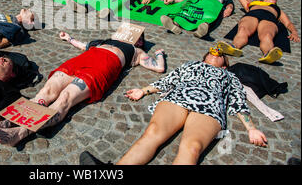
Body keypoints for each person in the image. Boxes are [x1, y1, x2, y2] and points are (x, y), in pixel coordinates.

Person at [79, 48, 267, 165]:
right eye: (211, 51)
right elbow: (168, 80)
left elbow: (238, 100)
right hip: (179, 97)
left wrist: (252, 129)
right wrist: (144, 91)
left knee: (192, 147)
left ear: (225, 65)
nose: (215, 52)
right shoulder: (191, 65)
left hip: (210, 106)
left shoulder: (229, 76)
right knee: (152, 132)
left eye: (221, 55)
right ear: (204, 59)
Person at [0, 31, 166, 146]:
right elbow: (83, 45)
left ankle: (21, 132)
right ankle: (12, 121)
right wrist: (68, 38)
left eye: (139, 37)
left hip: (102, 67)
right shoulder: (104, 40)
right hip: (81, 61)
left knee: (65, 98)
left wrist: (159, 54)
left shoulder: (137, 51)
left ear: (140, 42)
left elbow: (158, 68)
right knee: (45, 93)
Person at [218, 0, 300, 64]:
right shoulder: (253, 4)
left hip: (269, 18)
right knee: (243, 29)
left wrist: (294, 32)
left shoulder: (277, 9)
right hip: (252, 15)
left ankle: (268, 54)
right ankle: (234, 47)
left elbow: (288, 23)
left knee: (267, 35)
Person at [160, 0, 235, 38]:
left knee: (208, 15)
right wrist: (173, 0)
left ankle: (202, 29)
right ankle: (174, 25)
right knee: (186, 11)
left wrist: (229, 8)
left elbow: (229, 3)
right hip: (198, 2)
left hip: (211, 3)